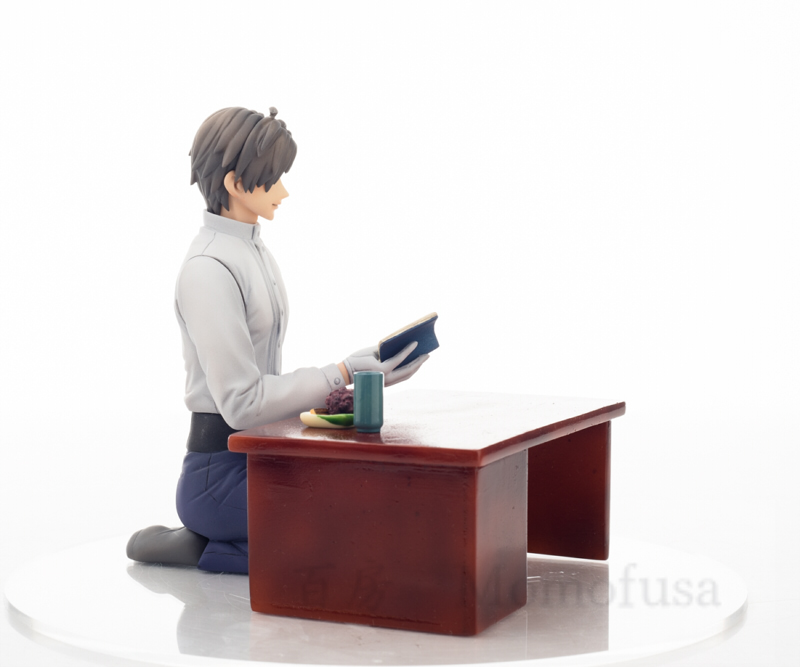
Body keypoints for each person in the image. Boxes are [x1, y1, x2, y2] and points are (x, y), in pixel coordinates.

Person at [126, 107, 427, 573]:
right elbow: (242, 403)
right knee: (352, 540)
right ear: (234, 183)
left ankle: (216, 540)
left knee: (375, 502)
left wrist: (357, 376)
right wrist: (341, 371)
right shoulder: (208, 268)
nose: (283, 191)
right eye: (272, 179)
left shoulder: (252, 250)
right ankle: (203, 546)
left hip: (264, 452)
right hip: (218, 476)